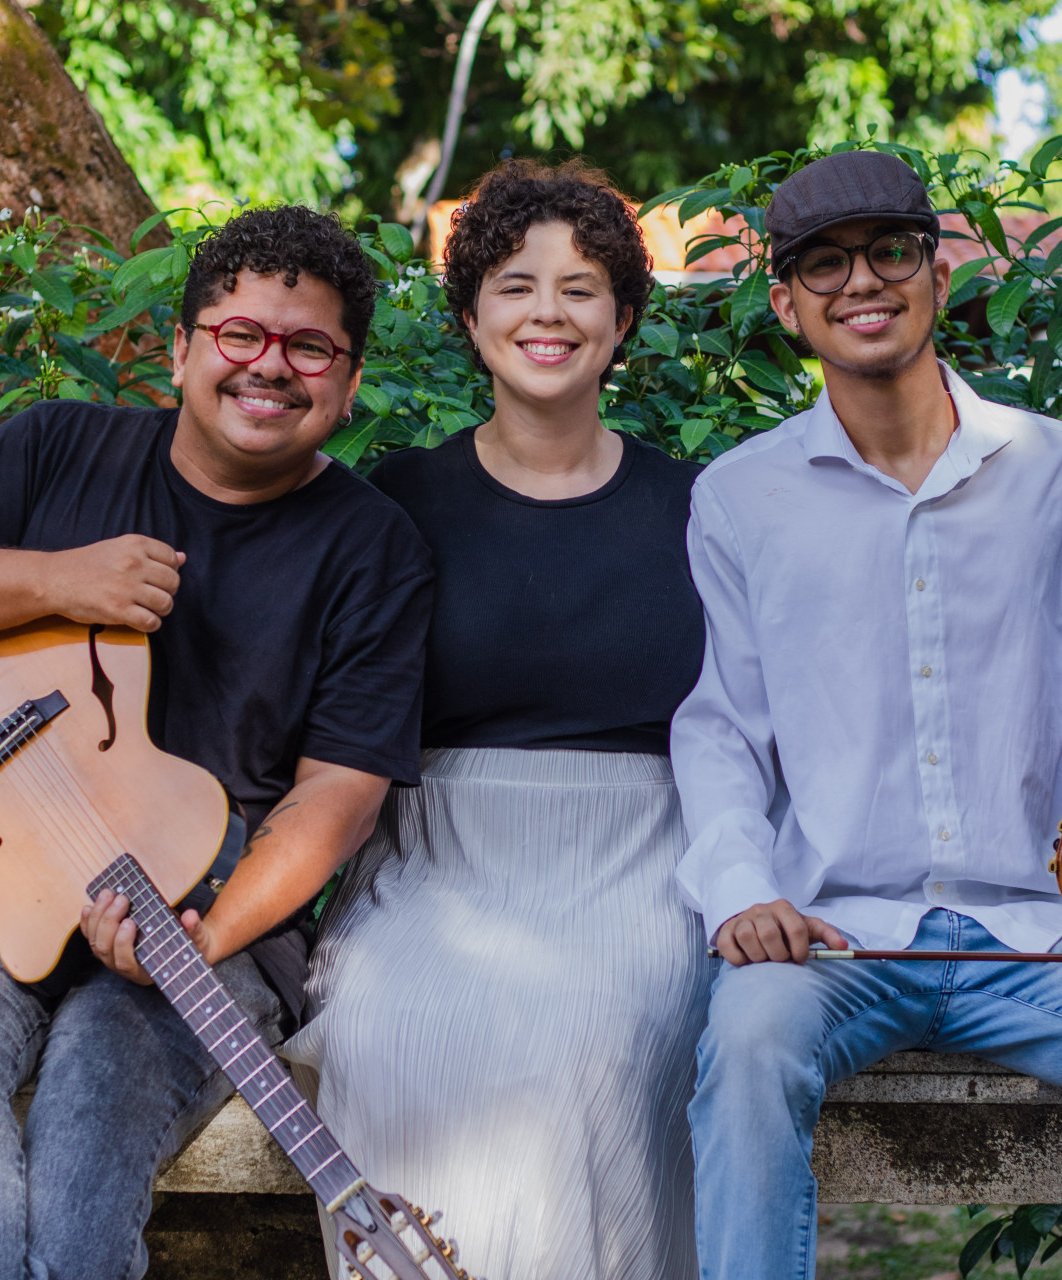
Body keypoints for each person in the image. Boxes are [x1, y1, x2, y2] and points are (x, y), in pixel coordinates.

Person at [671, 150, 1062, 1279]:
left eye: (891, 251)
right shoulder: (739, 497)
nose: (864, 281)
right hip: (841, 929)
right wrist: (739, 888)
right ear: (785, 303)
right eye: (824, 263)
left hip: (1051, 926)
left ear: (939, 274)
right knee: (749, 1041)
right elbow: (721, 724)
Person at [0, 206, 433, 1280]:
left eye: (309, 347)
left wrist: (208, 931)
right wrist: (58, 580)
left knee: (92, 1127)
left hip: (206, 904)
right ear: (182, 350)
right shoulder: (60, 444)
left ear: (345, 381)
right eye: (240, 334)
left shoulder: (372, 547)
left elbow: (337, 795)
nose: (270, 367)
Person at [282, 160, 709, 1280]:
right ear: (473, 318)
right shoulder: (397, 500)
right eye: (516, 285)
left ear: (622, 321)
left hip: (643, 863)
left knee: (585, 1046)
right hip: (438, 861)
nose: (548, 313)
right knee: (390, 1029)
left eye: (581, 288)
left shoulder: (698, 506)